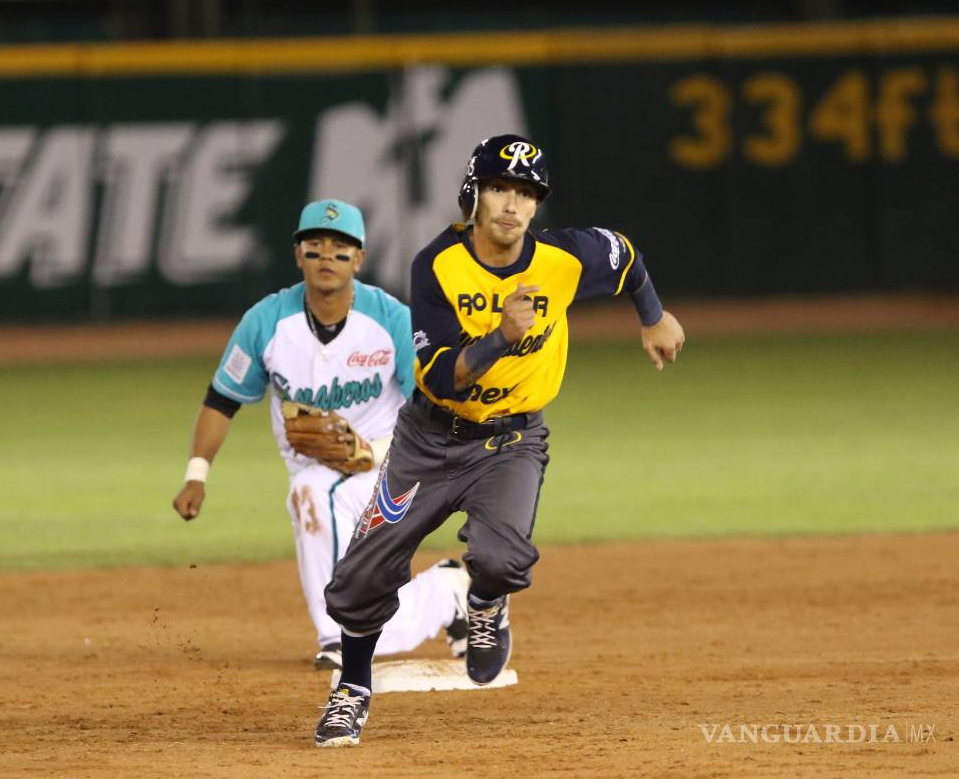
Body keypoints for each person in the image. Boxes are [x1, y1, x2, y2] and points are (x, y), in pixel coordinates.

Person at [312, 135, 686, 747]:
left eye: (526, 193)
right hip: (429, 442)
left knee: (503, 559)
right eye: (500, 189)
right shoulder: (437, 265)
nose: (513, 204)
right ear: (475, 195)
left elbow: (625, 255)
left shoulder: (564, 259)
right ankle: (352, 691)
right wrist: (499, 340)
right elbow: (435, 375)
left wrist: (653, 315)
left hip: (510, 443)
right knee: (360, 577)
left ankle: (483, 602)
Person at [172, 198, 469, 671]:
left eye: (340, 247)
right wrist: (196, 475)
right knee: (316, 495)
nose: (326, 256)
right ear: (298, 256)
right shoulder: (266, 322)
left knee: (310, 494)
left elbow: (430, 404)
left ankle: (338, 634)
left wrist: (372, 452)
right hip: (316, 464)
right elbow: (221, 399)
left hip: (395, 465)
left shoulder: (391, 318)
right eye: (315, 246)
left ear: (359, 259)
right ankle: (447, 592)